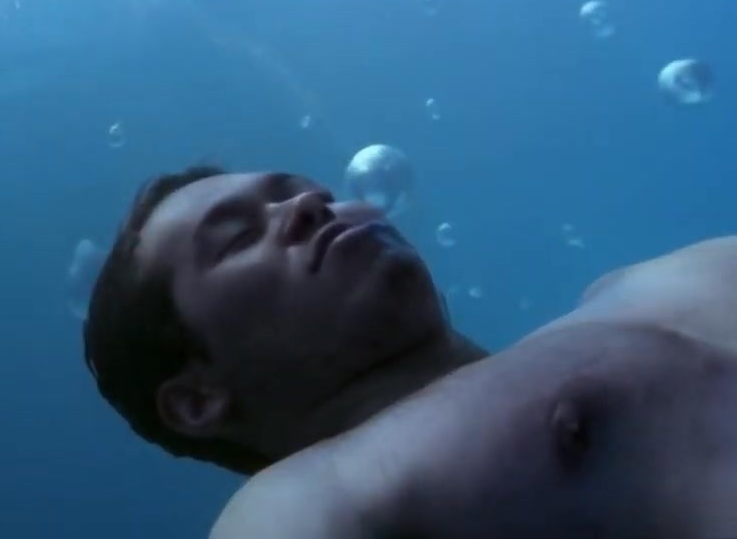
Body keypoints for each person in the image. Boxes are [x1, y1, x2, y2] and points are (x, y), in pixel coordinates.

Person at [82, 166, 737, 538]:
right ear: (197, 398)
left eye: (305, 190)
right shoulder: (309, 498)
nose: (306, 206)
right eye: (237, 237)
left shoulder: (637, 284)